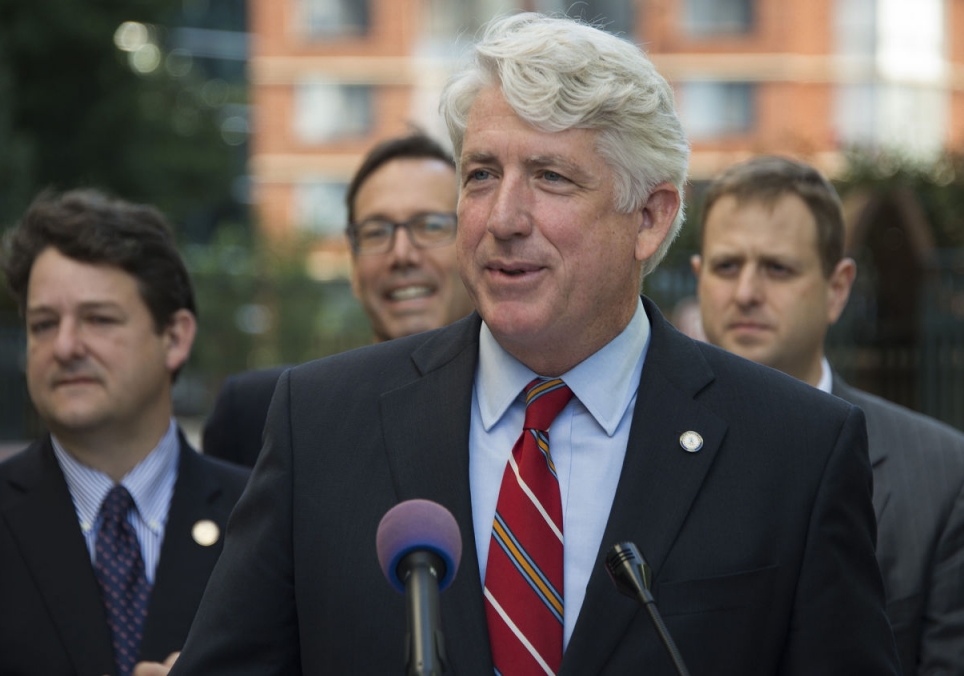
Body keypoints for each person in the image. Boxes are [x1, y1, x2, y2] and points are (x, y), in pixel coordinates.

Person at [166, 14, 900, 674]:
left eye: (550, 177)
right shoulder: (322, 422)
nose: (503, 217)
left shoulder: (794, 450)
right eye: (482, 174)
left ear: (649, 217)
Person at [692, 155, 964, 675]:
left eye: (778, 268)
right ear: (698, 276)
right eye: (726, 266)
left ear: (838, 288)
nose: (745, 293)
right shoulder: (638, 441)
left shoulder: (949, 480)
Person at [0, 190, 250, 676]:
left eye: (98, 319)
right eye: (43, 324)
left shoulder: (262, 521)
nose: (66, 346)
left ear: (175, 337)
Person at [200, 130, 473, 467]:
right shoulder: (264, 416)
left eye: (431, 225)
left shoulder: (529, 418)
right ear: (353, 265)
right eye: (376, 231)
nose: (402, 254)